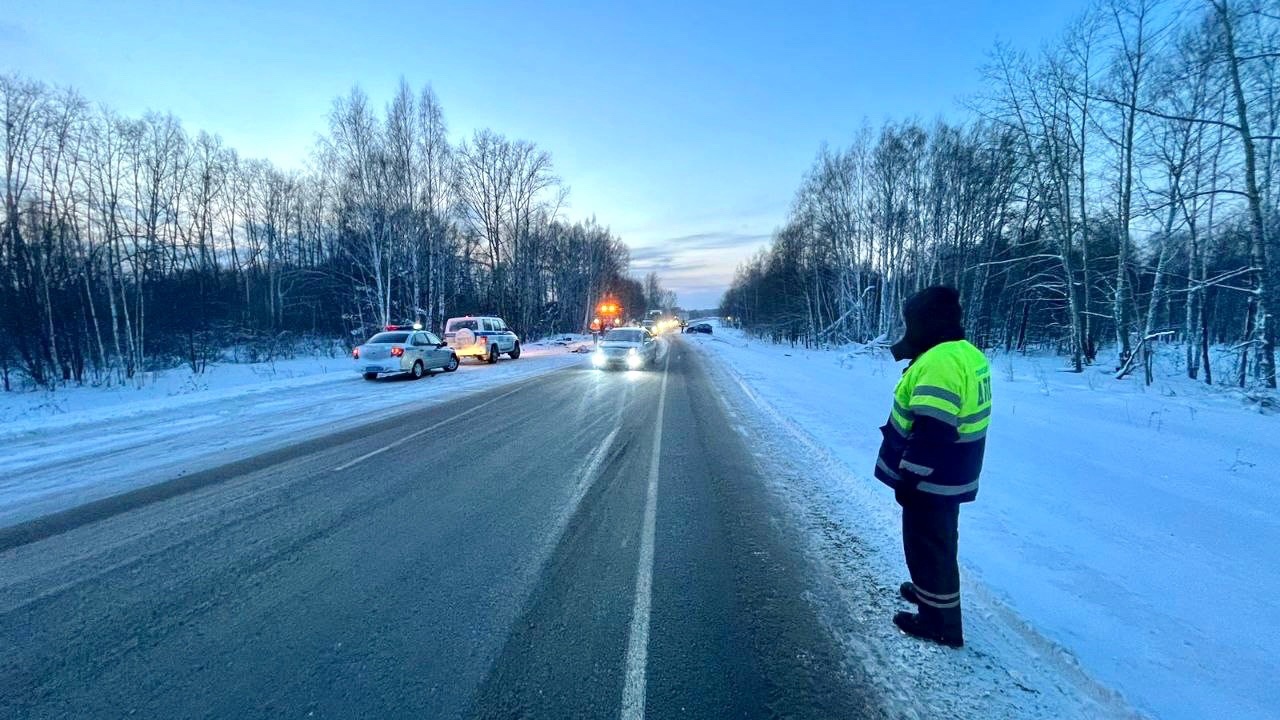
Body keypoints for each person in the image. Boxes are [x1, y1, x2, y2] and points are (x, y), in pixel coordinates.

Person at [874, 286, 991, 649]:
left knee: (928, 546)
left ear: (928, 322)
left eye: (913, 322)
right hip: (951, 473)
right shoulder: (965, 354)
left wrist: (910, 476)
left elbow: (933, 430)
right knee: (937, 542)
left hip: (931, 479)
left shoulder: (939, 362)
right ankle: (930, 594)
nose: (910, 328)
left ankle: (940, 624)